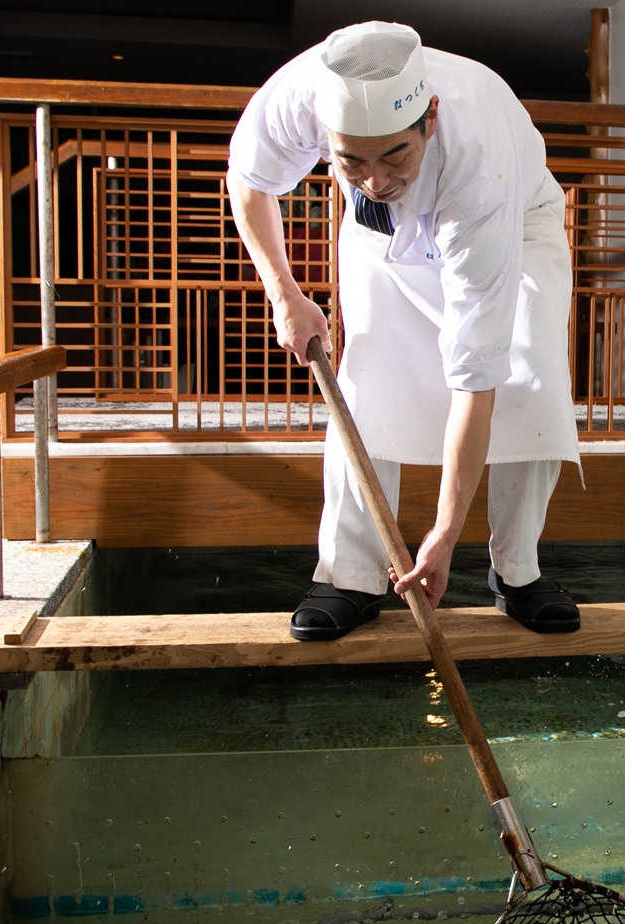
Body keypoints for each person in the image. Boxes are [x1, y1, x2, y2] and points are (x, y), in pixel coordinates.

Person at [226, 21, 581, 642]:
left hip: (517, 224)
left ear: (430, 118)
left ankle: (516, 571)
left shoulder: (480, 171)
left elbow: (476, 376)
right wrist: (285, 294)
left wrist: (443, 534)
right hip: (377, 237)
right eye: (351, 161)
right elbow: (251, 182)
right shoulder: (296, 96)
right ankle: (350, 577)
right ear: (323, 130)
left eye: (395, 155)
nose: (374, 179)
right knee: (365, 380)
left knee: (528, 375)